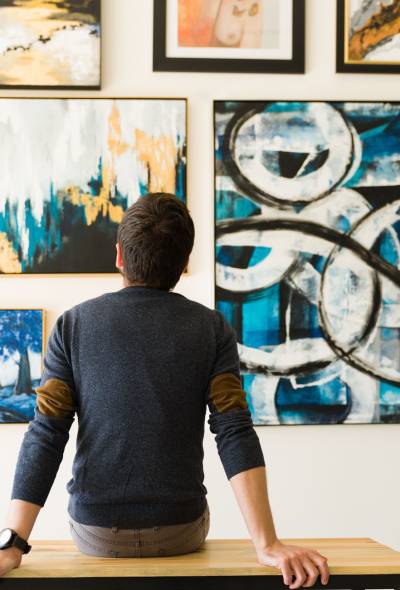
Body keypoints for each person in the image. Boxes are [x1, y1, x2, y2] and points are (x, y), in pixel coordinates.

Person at [0, 193, 329, 588]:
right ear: (185, 262)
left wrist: (13, 543)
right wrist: (267, 543)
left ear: (119, 256)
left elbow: (47, 432)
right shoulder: (212, 329)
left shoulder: (72, 326)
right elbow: (234, 429)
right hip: (181, 530)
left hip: (96, 531)